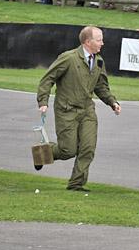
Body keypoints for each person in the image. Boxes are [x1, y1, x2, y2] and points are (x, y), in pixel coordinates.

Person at [35, 26, 121, 190]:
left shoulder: (99, 61)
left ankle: (76, 184)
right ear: (88, 42)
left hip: (87, 110)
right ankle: (41, 153)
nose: (102, 43)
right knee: (68, 150)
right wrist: (43, 102)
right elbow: (47, 79)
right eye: (99, 40)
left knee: (88, 148)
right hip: (67, 110)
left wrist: (112, 102)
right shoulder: (68, 58)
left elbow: (101, 87)